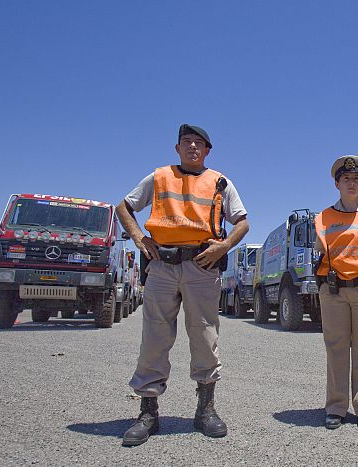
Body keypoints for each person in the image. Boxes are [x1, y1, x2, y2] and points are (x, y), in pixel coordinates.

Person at [116, 124, 249, 446]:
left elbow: (242, 222)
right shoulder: (160, 177)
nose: (192, 147)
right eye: (186, 142)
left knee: (204, 334)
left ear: (207, 151)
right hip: (162, 266)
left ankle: (205, 410)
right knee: (155, 337)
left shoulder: (220, 181)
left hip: (202, 266)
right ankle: (148, 412)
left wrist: (223, 246)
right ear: (177, 149)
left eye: (199, 143)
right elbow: (124, 207)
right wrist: (138, 238)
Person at [314, 155, 358, 431]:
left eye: (356, 179)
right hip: (333, 292)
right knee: (336, 350)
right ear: (337, 184)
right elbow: (319, 253)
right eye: (346, 179)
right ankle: (335, 407)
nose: (352, 183)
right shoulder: (323, 218)